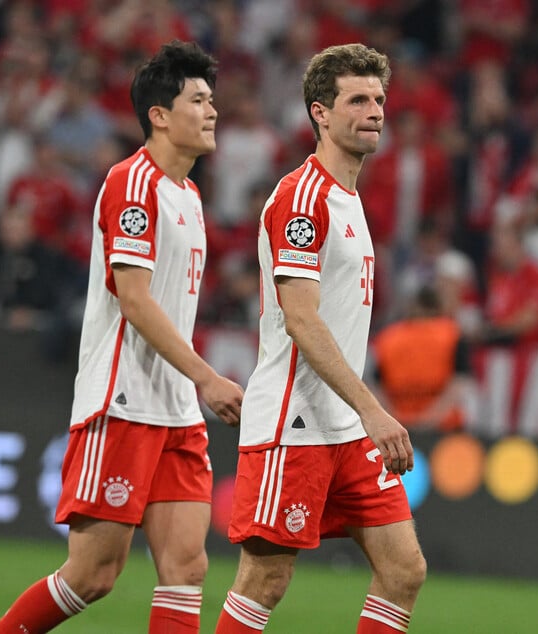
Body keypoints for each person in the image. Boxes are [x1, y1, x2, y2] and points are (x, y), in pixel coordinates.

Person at [0, 40, 244, 634]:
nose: (212, 112)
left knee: (186, 567)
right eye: (199, 100)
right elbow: (133, 299)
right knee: (93, 575)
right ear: (159, 114)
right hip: (124, 401)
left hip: (176, 412)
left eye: (213, 100)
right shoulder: (133, 184)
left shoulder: (188, 194)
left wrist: (191, 389)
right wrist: (205, 376)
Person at [213, 43, 426, 634]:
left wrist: (362, 416)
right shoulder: (302, 200)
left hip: (347, 427)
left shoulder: (350, 199)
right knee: (265, 580)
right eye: (357, 99)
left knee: (404, 570)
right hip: (294, 420)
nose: (375, 110)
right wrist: (375, 410)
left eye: (380, 99)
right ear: (320, 114)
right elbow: (301, 319)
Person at [371, 285, 476, 433]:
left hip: (399, 424)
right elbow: (459, 384)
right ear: (438, 307)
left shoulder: (388, 337)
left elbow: (377, 387)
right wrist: (430, 418)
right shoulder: (452, 333)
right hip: (445, 426)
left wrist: (394, 417)